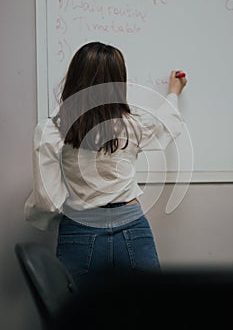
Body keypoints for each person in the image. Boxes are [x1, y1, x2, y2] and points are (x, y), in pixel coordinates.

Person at [24, 41, 187, 292]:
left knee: (79, 317)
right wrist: (174, 92)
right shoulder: (133, 125)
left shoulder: (50, 130)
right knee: (151, 312)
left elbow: (48, 202)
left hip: (79, 232)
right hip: (133, 228)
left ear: (74, 79)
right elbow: (168, 123)